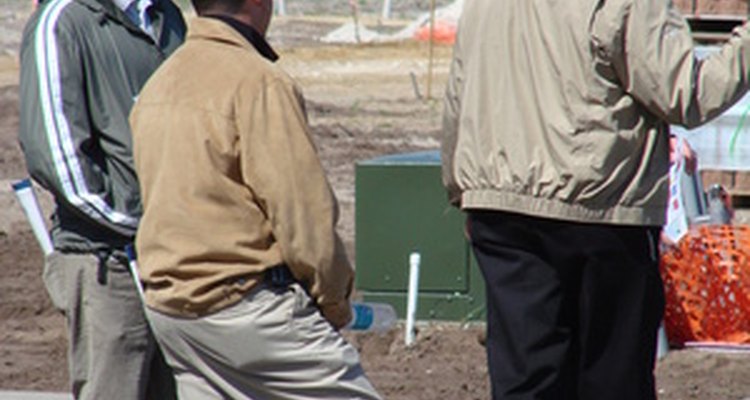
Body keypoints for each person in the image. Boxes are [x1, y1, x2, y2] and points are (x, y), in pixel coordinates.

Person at [441, 1, 750, 399]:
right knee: (612, 380)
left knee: (526, 383)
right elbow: (686, 93)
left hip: (501, 207)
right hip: (602, 209)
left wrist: (460, 190)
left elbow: (458, 94)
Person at [128, 0, 382, 399]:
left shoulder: (161, 80)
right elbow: (303, 215)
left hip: (173, 309)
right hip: (247, 306)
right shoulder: (258, 82)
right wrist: (333, 303)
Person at [17, 0, 185, 398]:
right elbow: (55, 155)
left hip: (175, 256)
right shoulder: (62, 21)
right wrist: (136, 222)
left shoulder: (167, 17)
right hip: (106, 263)